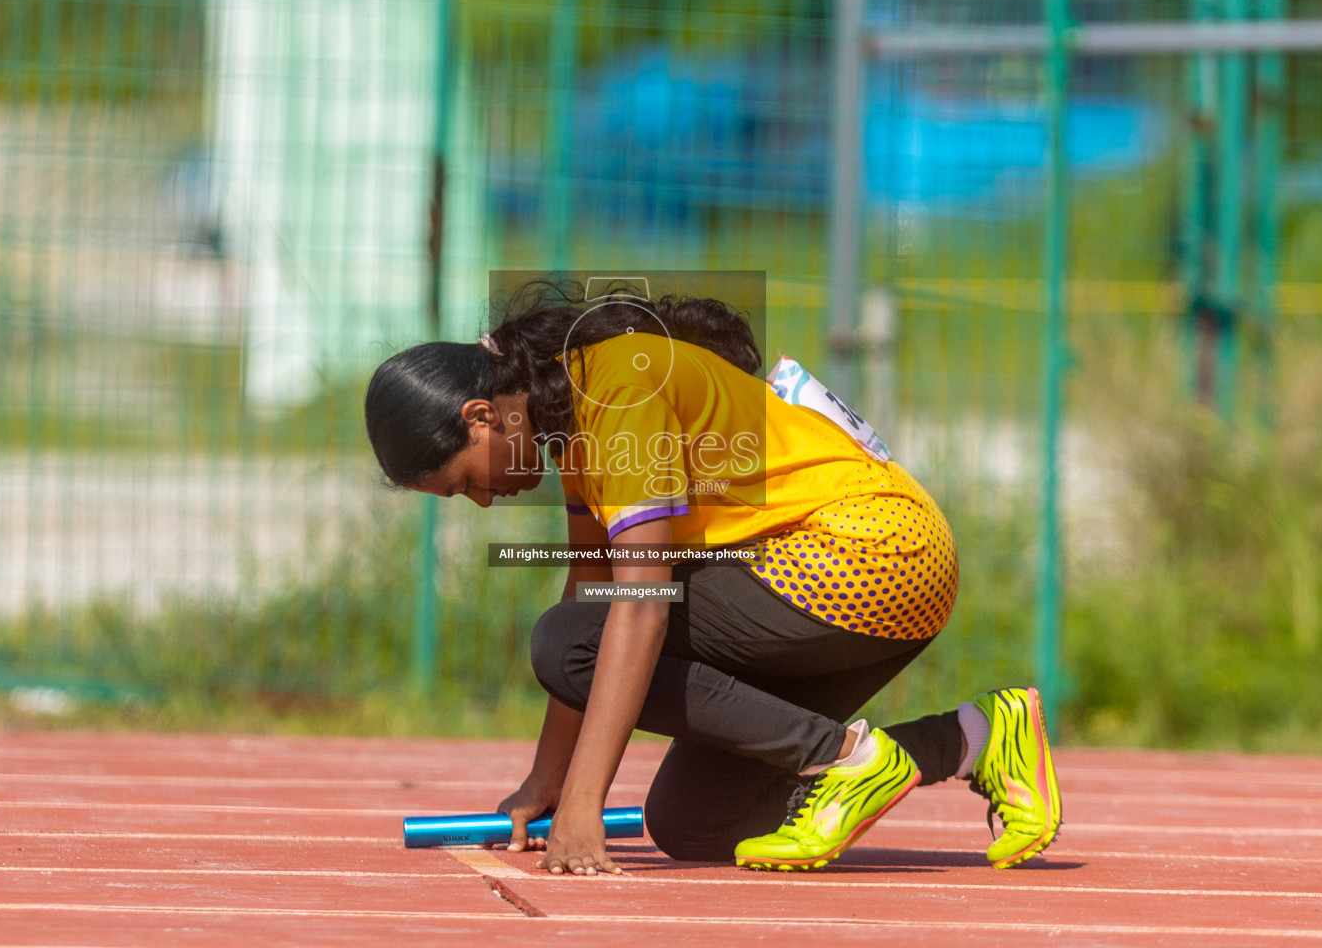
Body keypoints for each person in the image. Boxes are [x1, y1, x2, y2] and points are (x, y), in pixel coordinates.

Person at [364, 279, 1060, 876]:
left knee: (567, 642)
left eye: (463, 485)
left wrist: (585, 801)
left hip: (870, 558)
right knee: (693, 825)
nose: (483, 501)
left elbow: (634, 609)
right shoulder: (561, 418)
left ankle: (846, 757)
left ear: (481, 417)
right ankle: (977, 738)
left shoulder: (616, 392)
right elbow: (590, 584)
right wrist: (549, 782)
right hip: (848, 582)